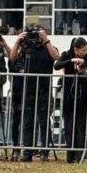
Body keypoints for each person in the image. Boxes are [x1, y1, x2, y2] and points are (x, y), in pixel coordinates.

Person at [10, 25, 59, 162]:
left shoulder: (47, 46)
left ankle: (44, 151)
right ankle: (27, 151)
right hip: (28, 88)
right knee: (27, 121)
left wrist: (46, 40)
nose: (34, 37)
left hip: (44, 88)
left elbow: (56, 56)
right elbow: (13, 58)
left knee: (44, 121)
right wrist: (17, 42)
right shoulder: (26, 48)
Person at [54, 37, 87, 163]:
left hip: (84, 94)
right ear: (76, 49)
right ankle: (71, 155)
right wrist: (71, 61)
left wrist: (85, 71)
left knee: (82, 124)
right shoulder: (66, 55)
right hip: (69, 94)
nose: (85, 52)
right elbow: (57, 65)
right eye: (83, 50)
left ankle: (82, 154)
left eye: (86, 50)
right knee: (69, 124)